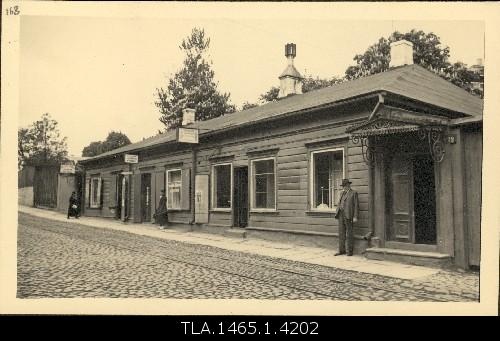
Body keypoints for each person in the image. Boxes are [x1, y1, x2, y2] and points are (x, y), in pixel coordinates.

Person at [334, 179, 359, 256]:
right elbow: (339, 203)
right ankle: (341, 250)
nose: (344, 187)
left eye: (345, 186)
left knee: (349, 234)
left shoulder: (353, 193)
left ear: (349, 185)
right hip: (341, 214)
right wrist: (337, 210)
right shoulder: (341, 193)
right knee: (341, 233)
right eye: (343, 186)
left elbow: (356, 206)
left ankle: (349, 251)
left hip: (349, 215)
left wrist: (355, 216)